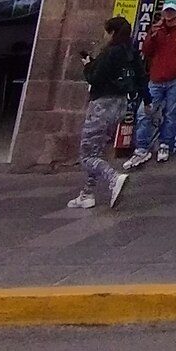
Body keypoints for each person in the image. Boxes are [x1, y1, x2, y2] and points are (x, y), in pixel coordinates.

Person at [125, 0, 176, 171]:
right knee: (144, 112)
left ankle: (165, 144)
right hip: (156, 77)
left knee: (171, 113)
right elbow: (146, 50)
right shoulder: (157, 29)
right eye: (167, 11)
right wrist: (152, 35)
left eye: (172, 11)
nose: (169, 14)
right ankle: (142, 147)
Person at [71, 17, 140, 209]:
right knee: (96, 150)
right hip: (119, 105)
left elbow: (96, 77)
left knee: (87, 155)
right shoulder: (129, 52)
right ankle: (87, 193)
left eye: (105, 31)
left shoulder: (110, 53)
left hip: (102, 105)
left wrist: (87, 66)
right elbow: (139, 75)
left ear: (111, 33)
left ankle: (113, 178)